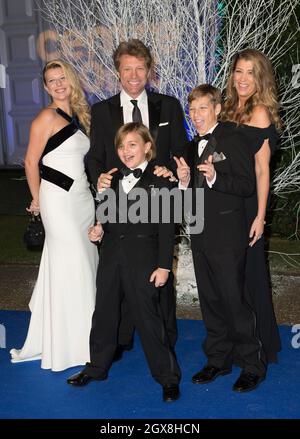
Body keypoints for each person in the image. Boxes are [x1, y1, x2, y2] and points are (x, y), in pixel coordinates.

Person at [86, 38, 187, 357]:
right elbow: (94, 157)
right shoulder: (101, 111)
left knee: (160, 272)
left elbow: (180, 152)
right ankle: (121, 337)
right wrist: (98, 178)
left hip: (158, 201)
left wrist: (171, 173)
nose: (133, 75)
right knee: (119, 274)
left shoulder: (169, 105)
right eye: (127, 69)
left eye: (140, 68)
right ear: (118, 72)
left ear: (149, 71)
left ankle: (165, 339)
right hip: (118, 202)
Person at [67, 122, 181, 402]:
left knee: (149, 320)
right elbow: (105, 215)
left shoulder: (162, 180)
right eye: (121, 146)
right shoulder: (111, 178)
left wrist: (164, 265)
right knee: (104, 314)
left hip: (144, 259)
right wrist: (99, 228)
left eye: (132, 144)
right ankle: (96, 367)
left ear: (147, 147)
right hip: (111, 258)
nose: (126, 150)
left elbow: (168, 228)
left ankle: (167, 377)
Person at [175, 84, 266, 392]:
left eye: (202, 108)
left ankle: (252, 365)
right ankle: (218, 359)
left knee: (234, 300)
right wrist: (185, 182)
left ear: (216, 108)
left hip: (228, 234)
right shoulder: (190, 146)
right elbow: (188, 196)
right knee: (211, 301)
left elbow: (245, 185)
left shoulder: (234, 137)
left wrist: (215, 177)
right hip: (199, 233)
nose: (197, 115)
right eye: (192, 110)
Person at [10, 60, 98, 371]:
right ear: (46, 88)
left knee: (86, 263)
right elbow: (31, 162)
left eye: (62, 78)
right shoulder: (44, 118)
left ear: (71, 80)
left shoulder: (79, 114)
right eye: (52, 81)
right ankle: (70, 345)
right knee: (71, 264)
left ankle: (87, 338)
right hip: (57, 202)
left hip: (83, 200)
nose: (59, 84)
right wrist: (37, 199)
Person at [221, 48, 281, 365]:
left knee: (250, 274)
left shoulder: (259, 113)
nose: (243, 78)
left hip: (247, 207)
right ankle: (236, 339)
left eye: (250, 73)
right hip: (226, 202)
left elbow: (262, 170)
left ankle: (259, 344)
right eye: (239, 71)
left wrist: (260, 216)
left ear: (260, 79)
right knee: (230, 277)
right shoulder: (229, 107)